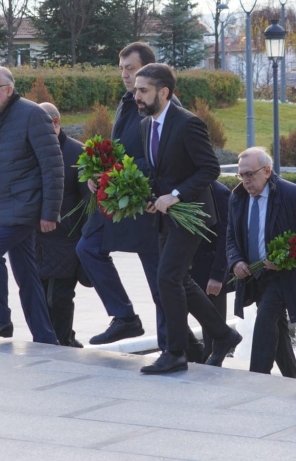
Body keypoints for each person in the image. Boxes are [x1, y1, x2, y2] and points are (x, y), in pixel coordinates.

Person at [136, 63, 242, 374]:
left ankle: (176, 353)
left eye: (143, 90)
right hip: (166, 217)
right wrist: (152, 198)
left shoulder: (188, 123)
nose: (136, 96)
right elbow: (158, 172)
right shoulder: (145, 126)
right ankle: (223, 334)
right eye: (136, 90)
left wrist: (176, 195)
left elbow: (210, 168)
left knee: (167, 279)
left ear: (163, 92)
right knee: (179, 280)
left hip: (192, 216)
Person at [78, 43, 179, 350]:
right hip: (121, 195)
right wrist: (99, 172)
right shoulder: (126, 101)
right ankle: (124, 317)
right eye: (121, 68)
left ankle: (172, 347)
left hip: (150, 204)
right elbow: (121, 148)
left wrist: (134, 181)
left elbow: (165, 156)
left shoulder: (165, 105)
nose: (124, 74)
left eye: (130, 69)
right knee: (87, 247)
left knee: (160, 282)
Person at [0, 66, 64, 344]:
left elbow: (53, 167)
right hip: (6, 208)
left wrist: (50, 213)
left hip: (27, 208)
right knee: (27, 275)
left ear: (9, 89)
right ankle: (45, 337)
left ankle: (0, 320)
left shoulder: (33, 114)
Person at [227, 147, 296, 378]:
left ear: (267, 171)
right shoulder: (237, 198)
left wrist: (287, 259)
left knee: (265, 320)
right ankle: (291, 376)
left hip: (283, 275)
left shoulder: (295, 195)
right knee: (278, 326)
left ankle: (257, 376)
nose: (245, 180)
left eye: (250, 174)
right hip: (255, 276)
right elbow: (231, 236)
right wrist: (236, 261)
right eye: (241, 175)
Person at [35, 102, 90, 348]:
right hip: (36, 240)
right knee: (38, 297)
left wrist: (88, 240)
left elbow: (90, 203)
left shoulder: (79, 154)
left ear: (55, 123)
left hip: (66, 240)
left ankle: (63, 342)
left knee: (59, 297)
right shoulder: (30, 150)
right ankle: (54, 340)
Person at [190, 179, 231, 363]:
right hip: (186, 268)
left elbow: (226, 235)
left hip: (209, 270)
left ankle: (212, 361)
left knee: (213, 326)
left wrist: (217, 275)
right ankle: (196, 354)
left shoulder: (219, 192)